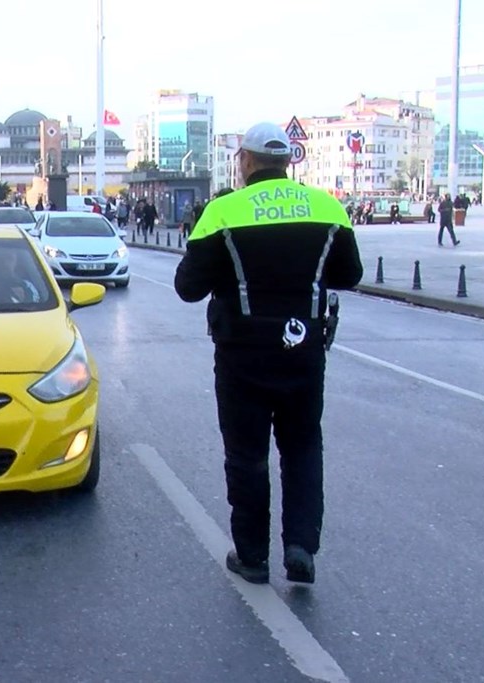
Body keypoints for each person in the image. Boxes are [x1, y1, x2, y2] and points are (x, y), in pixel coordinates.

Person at [173, 122, 363, 585]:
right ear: (287, 161)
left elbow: (187, 287)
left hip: (243, 356)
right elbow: (349, 274)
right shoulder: (327, 207)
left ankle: (253, 556)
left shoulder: (223, 212)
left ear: (247, 161)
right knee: (302, 447)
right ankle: (300, 547)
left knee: (247, 455)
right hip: (303, 351)